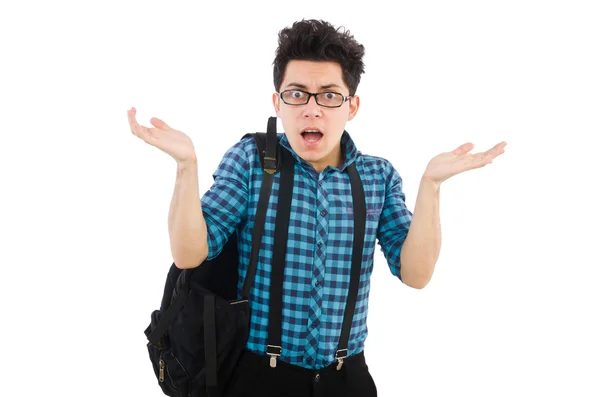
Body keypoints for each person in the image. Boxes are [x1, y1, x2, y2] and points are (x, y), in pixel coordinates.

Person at [128, 18, 506, 397]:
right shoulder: (250, 161)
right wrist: (185, 167)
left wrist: (432, 186)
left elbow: (416, 274)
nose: (312, 109)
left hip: (347, 378)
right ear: (278, 102)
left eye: (328, 95)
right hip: (258, 377)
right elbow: (189, 254)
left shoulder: (378, 177)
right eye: (296, 94)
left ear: (351, 105)